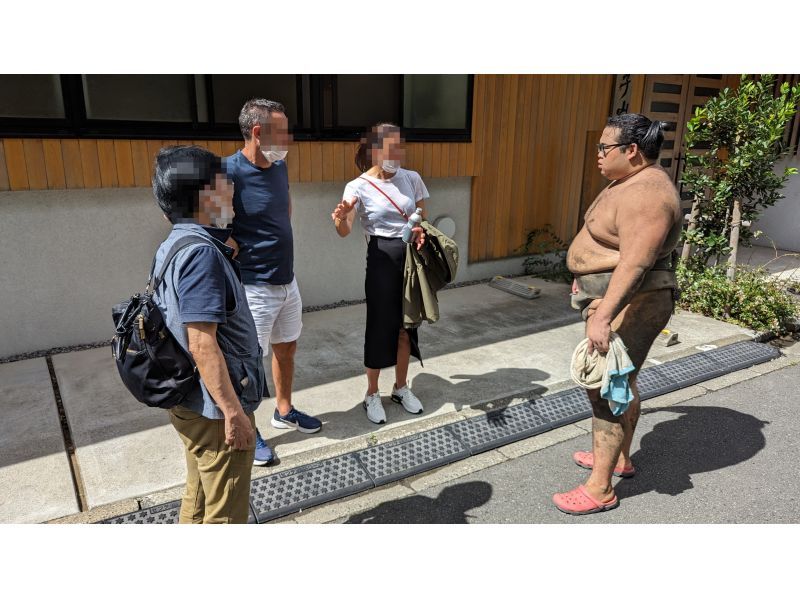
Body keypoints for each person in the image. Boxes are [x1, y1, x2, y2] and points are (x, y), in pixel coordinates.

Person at [553, 113, 683, 515]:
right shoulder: (630, 181)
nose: (598, 154)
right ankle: (620, 458)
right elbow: (613, 249)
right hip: (618, 299)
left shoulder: (649, 194)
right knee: (622, 379)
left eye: (604, 148)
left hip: (635, 303)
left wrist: (603, 315)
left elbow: (635, 263)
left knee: (607, 388)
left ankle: (599, 489)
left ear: (631, 151)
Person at [151, 145, 266, 523]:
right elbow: (202, 342)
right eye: (224, 182)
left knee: (199, 494)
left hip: (189, 402)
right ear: (205, 194)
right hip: (215, 410)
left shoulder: (175, 243)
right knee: (225, 516)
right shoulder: (201, 254)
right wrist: (233, 413)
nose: (231, 190)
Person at [225, 99, 322, 466]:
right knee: (249, 363)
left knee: (287, 349)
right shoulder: (227, 172)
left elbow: (285, 210)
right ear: (257, 131)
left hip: (286, 281)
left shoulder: (279, 167)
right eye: (282, 131)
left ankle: (283, 410)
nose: (289, 139)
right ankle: (249, 428)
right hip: (253, 287)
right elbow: (212, 229)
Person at [331, 123, 428, 424]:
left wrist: (419, 227)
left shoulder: (411, 178)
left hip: (410, 257)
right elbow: (344, 231)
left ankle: (401, 387)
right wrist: (340, 218)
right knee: (379, 327)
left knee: (406, 326)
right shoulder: (357, 186)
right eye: (391, 148)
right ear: (375, 150)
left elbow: (421, 213)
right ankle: (372, 393)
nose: (397, 153)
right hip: (381, 258)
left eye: (400, 147)